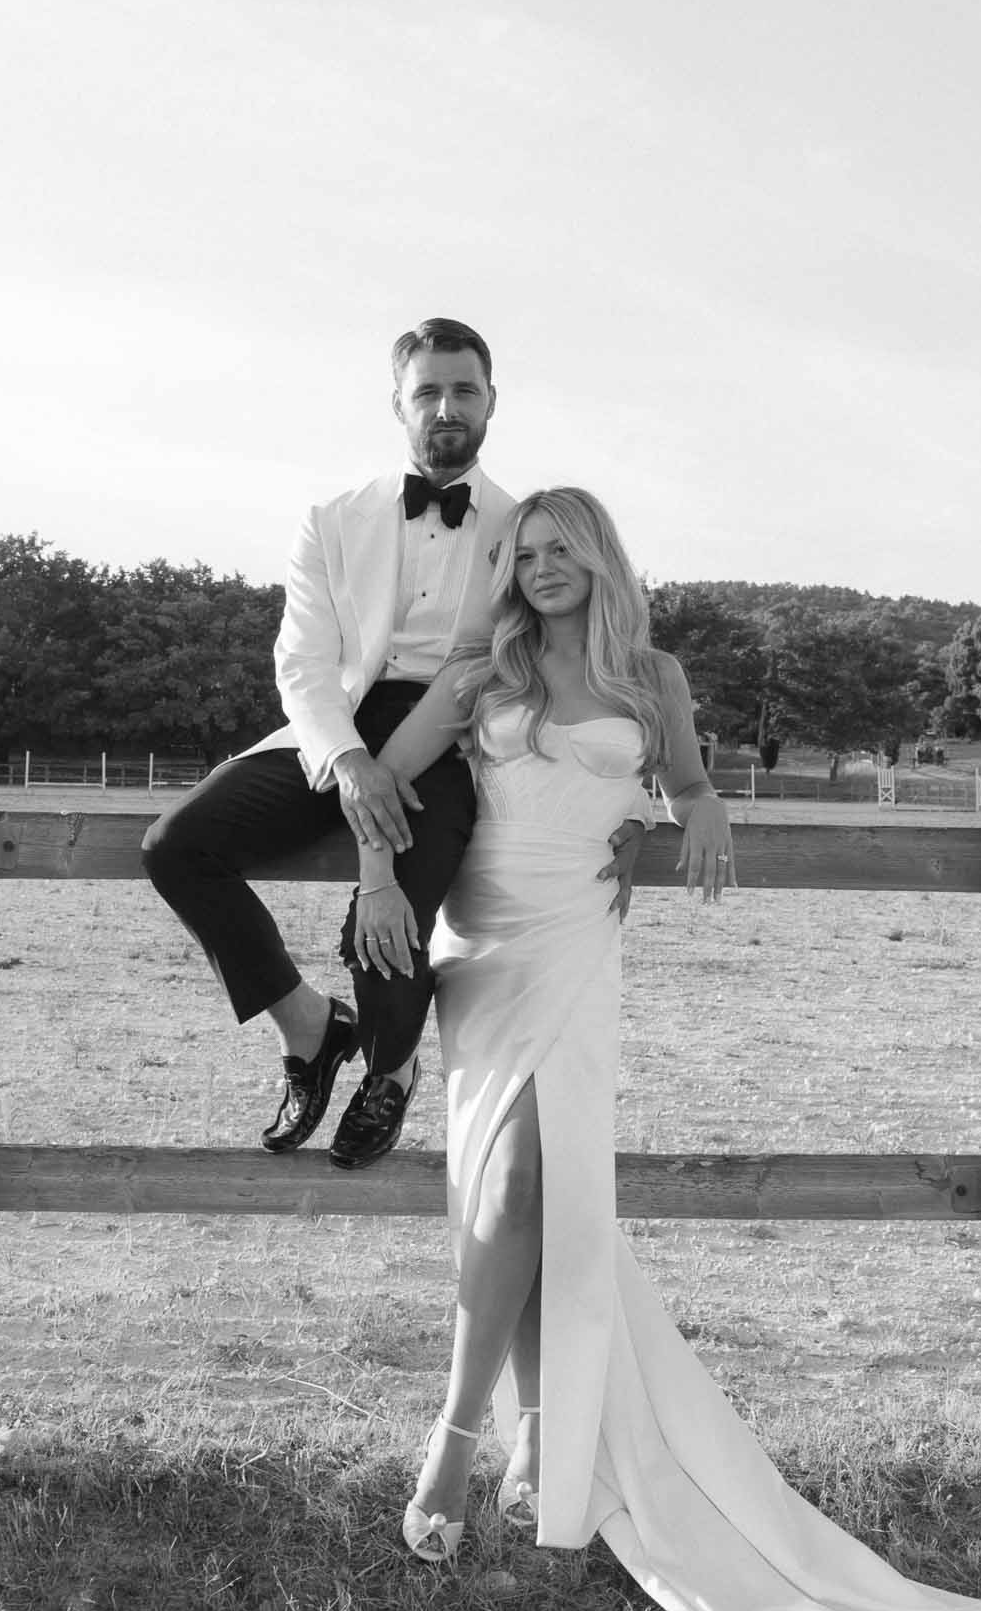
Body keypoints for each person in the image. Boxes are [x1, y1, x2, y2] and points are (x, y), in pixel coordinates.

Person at [349, 488, 981, 1611]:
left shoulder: (652, 674)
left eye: (567, 547)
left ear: (604, 560)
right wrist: (375, 879)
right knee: (523, 1197)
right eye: (527, 551)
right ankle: (519, 1439)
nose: (546, 565)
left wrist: (689, 816)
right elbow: (380, 781)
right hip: (483, 947)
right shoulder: (479, 672)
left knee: (529, 1183)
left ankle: (461, 1446)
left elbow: (685, 783)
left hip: (575, 940)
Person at [141, 325, 645, 1172]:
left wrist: (634, 809)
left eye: (465, 391)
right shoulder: (331, 517)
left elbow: (562, 671)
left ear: (491, 401)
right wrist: (344, 761)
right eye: (428, 392)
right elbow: (301, 659)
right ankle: (309, 1027)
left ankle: (391, 1065)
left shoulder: (524, 529)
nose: (446, 408)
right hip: (333, 724)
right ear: (398, 403)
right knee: (175, 848)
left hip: (448, 734)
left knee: (387, 928)